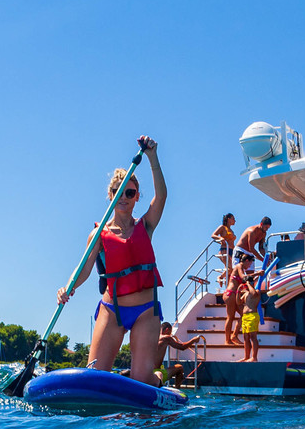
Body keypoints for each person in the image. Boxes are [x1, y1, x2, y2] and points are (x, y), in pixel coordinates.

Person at [58, 136, 167, 384]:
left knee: (142, 380)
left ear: (137, 196)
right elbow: (84, 268)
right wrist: (68, 287)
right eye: (118, 192)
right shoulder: (98, 234)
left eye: (130, 192)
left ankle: (156, 377)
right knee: (94, 377)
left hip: (145, 311)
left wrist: (152, 157)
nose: (124, 197)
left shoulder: (145, 226)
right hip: (112, 309)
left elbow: (161, 197)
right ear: (110, 194)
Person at [156, 321, 201, 386]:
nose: (170, 335)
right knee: (180, 368)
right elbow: (182, 347)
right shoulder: (166, 338)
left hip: (146, 372)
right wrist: (193, 340)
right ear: (167, 330)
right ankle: (176, 390)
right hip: (156, 373)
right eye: (170, 333)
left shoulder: (153, 337)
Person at [239, 283, 263, 362]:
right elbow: (238, 302)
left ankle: (254, 357)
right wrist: (238, 292)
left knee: (253, 337)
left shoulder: (257, 291)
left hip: (252, 315)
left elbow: (253, 294)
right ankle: (246, 357)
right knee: (246, 338)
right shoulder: (245, 294)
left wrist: (249, 284)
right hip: (245, 317)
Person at [212, 213, 236, 286]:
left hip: (232, 251)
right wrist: (220, 238)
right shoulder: (222, 227)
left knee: (231, 271)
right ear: (228, 219)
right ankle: (220, 277)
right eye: (233, 218)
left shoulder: (231, 230)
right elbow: (213, 235)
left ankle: (228, 288)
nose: (235, 220)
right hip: (225, 250)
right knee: (231, 268)